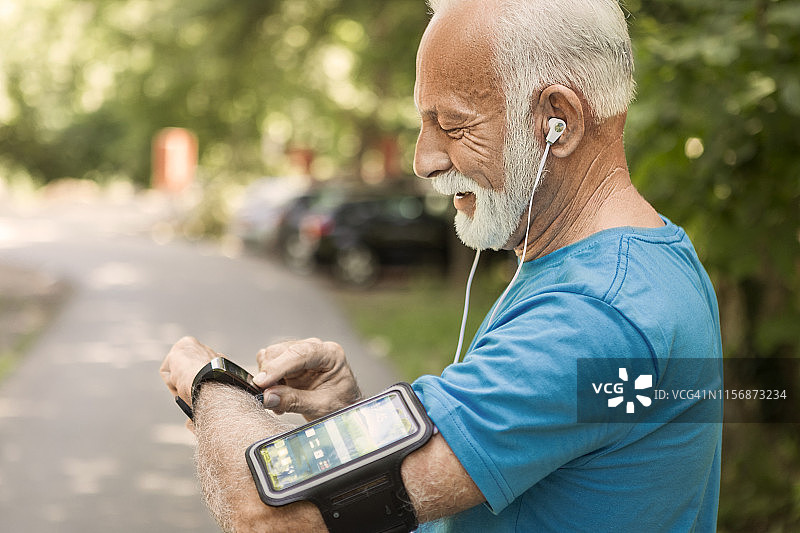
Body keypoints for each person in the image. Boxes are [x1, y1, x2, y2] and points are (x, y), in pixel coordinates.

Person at [160, 0, 723, 531]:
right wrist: (350, 412)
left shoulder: (591, 318)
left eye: (452, 125)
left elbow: (275, 515)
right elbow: (528, 450)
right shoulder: (642, 267)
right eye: (423, 123)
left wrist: (211, 387)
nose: (423, 160)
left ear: (560, 121)